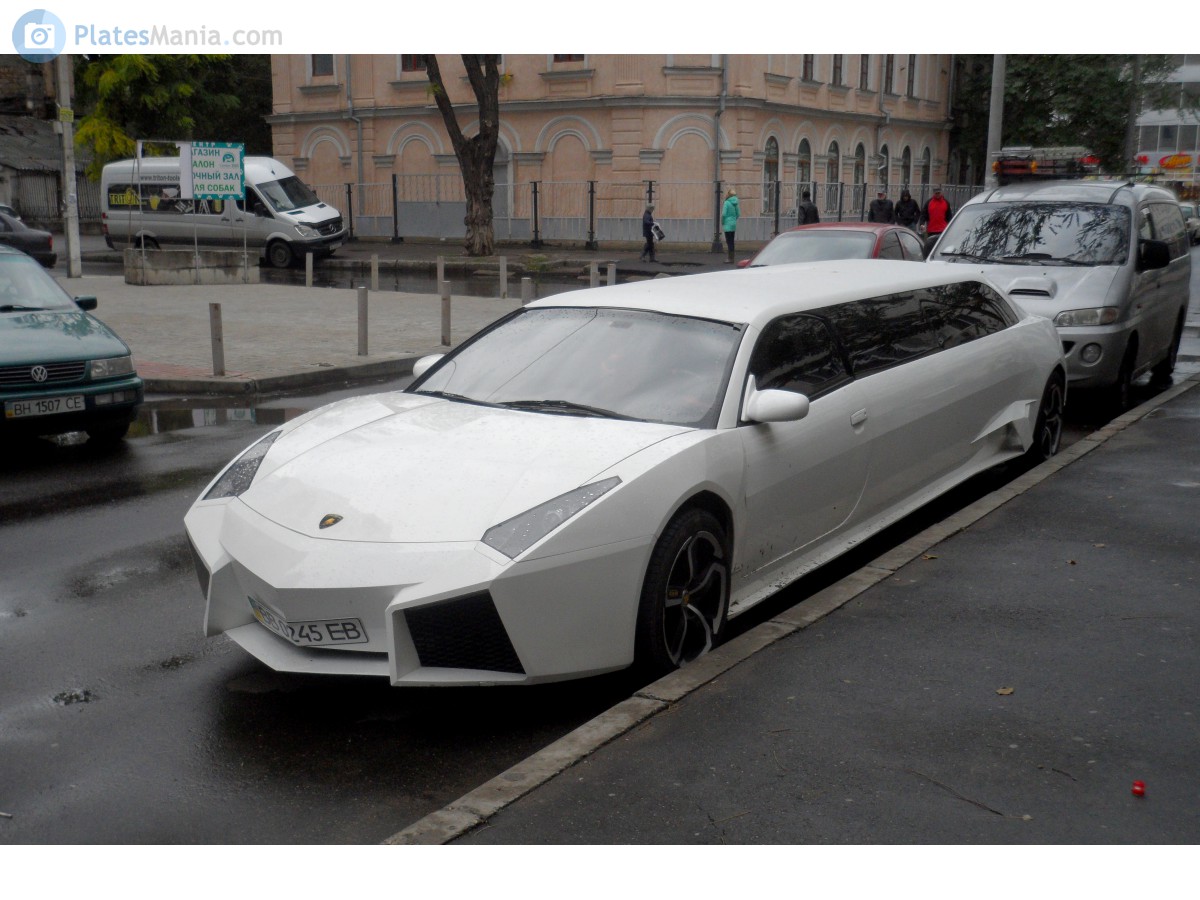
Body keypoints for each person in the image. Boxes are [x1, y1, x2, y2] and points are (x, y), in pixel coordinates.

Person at [721, 188, 740, 263]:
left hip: (727, 224)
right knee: (732, 241)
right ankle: (732, 257)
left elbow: (723, 214)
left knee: (728, 241)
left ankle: (730, 258)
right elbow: (738, 214)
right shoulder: (735, 203)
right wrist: (734, 220)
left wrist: (722, 222)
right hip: (733, 224)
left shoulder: (726, 202)